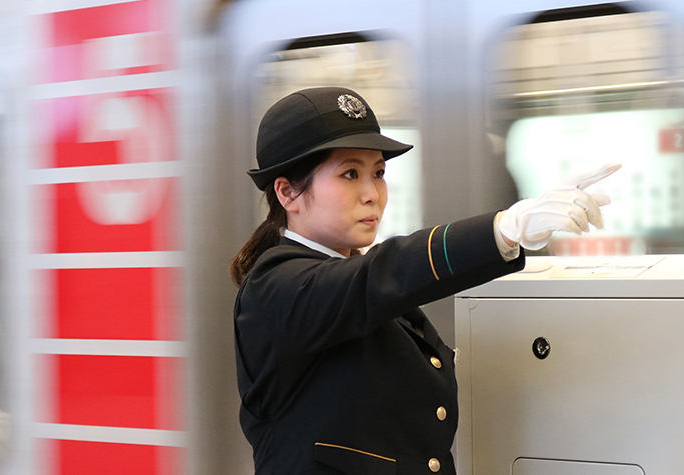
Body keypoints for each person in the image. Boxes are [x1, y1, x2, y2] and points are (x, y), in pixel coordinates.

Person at [231, 87, 617, 475]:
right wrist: (503, 229)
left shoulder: (355, 280)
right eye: (350, 174)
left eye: (378, 173)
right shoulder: (275, 287)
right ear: (288, 193)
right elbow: (383, 275)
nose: (372, 194)